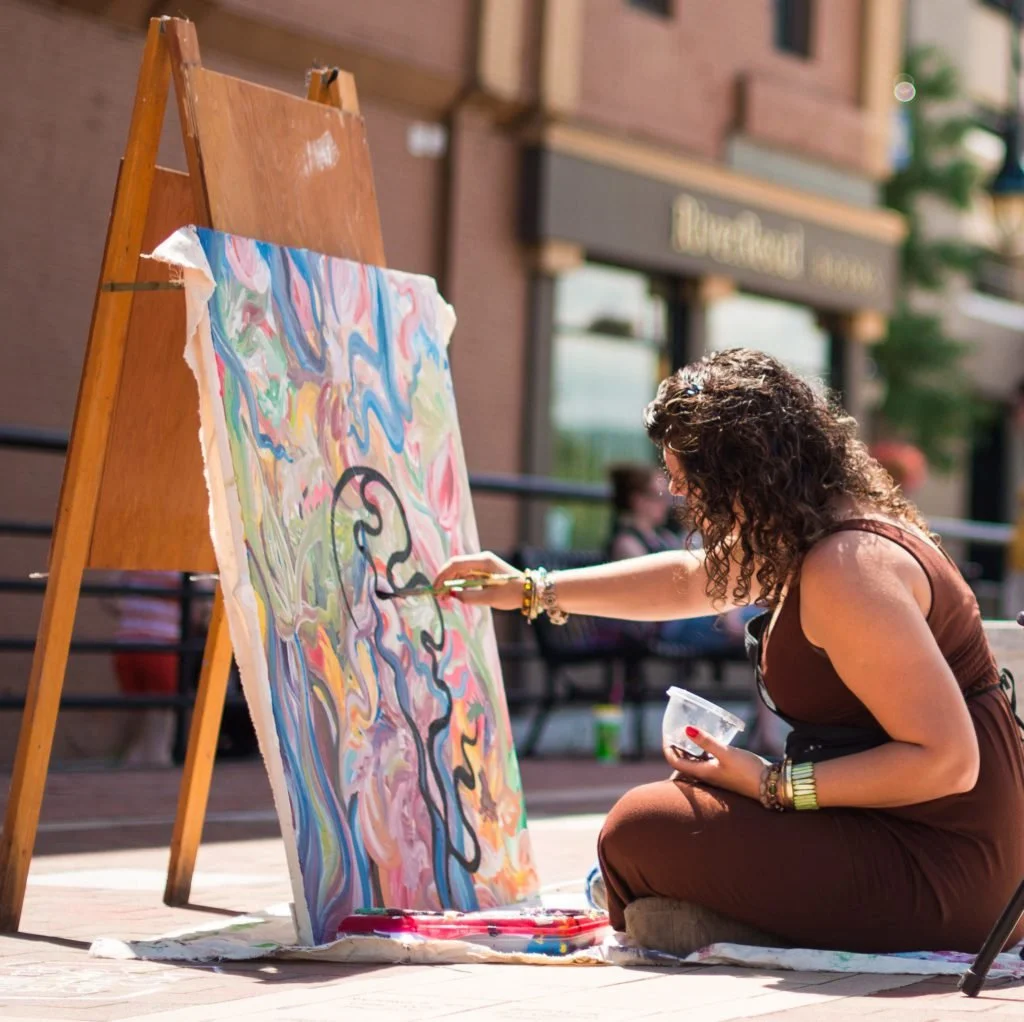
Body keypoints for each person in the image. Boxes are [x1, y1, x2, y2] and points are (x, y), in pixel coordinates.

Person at [435, 348, 1024, 954]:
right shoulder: (817, 531)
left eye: (687, 478)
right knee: (676, 811)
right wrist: (532, 588)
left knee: (641, 828)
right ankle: (696, 910)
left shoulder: (847, 568)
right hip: (910, 838)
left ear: (742, 472)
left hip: (948, 872)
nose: (677, 493)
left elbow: (949, 762)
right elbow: (690, 580)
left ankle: (700, 914)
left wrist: (773, 784)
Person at [607, 462, 781, 755]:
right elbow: (668, 596)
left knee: (767, 624)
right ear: (637, 500)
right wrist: (725, 612)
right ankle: (767, 735)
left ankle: (766, 733)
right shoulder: (628, 544)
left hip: (688, 619)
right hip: (665, 628)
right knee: (764, 629)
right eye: (658, 495)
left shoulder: (662, 538)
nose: (666, 502)